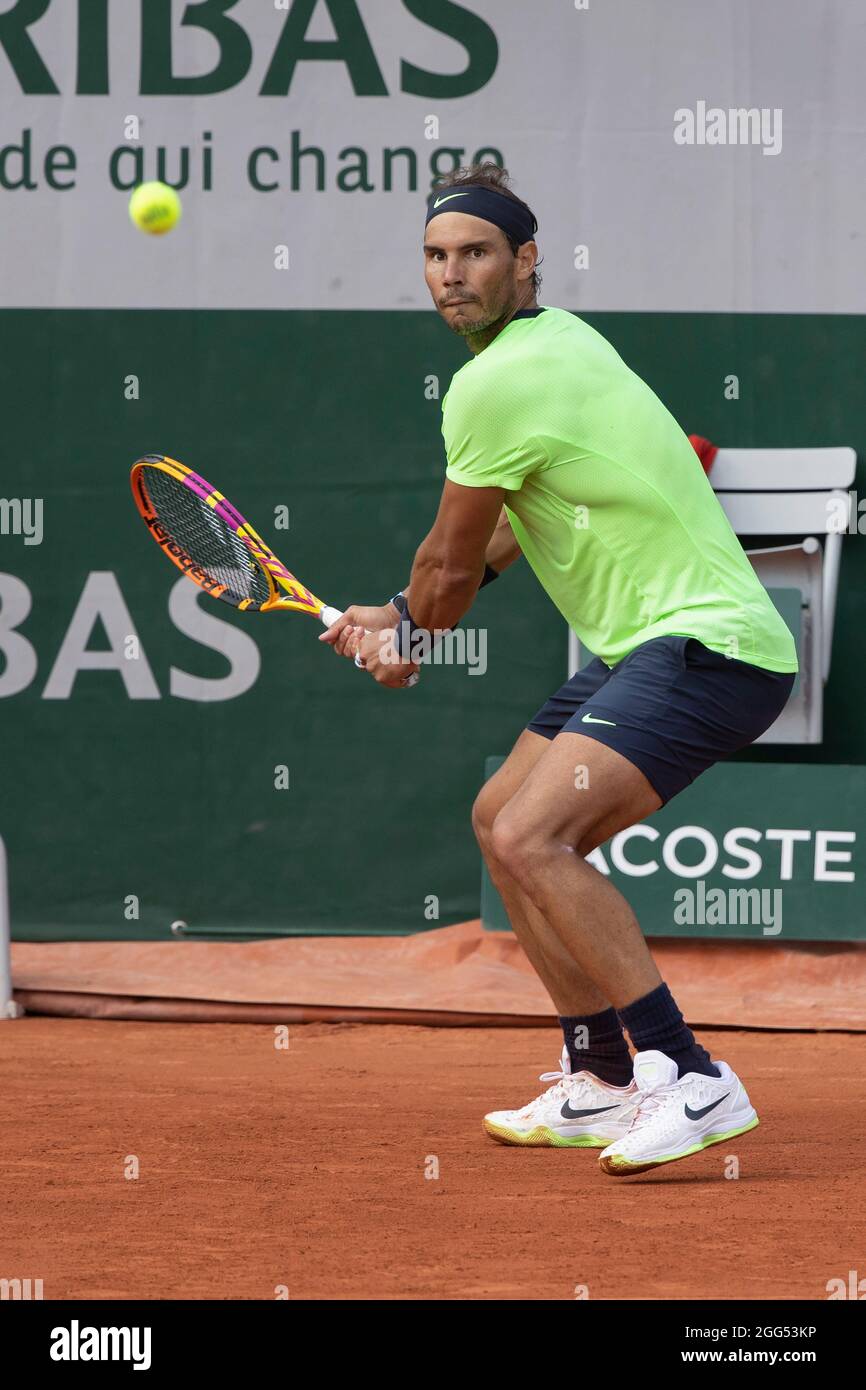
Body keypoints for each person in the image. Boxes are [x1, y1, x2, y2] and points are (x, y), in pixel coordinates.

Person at [320, 162, 797, 1177]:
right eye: (436, 257)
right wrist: (406, 615)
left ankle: (689, 1071)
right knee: (499, 819)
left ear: (524, 260)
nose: (452, 275)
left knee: (539, 837)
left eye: (476, 254)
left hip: (710, 647)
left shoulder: (496, 380)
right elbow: (485, 547)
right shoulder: (561, 340)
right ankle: (598, 1075)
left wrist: (411, 630)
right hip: (651, 646)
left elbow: (449, 563)